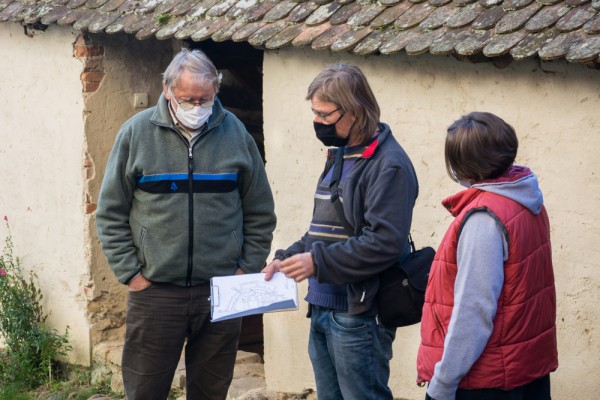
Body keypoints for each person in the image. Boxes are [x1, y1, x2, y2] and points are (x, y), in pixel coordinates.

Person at [96, 48, 276, 400]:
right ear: (167, 90)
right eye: (187, 99)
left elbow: (260, 211)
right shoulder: (136, 134)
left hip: (222, 289)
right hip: (155, 292)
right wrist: (131, 273)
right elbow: (110, 212)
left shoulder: (235, 134)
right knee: (145, 390)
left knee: (211, 391)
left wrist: (245, 268)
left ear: (216, 90)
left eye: (204, 99)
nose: (197, 107)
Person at [264, 64, 419, 399]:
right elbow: (324, 230)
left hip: (358, 314)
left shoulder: (389, 165)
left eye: (324, 115)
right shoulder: (340, 154)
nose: (317, 122)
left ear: (355, 111)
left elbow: (384, 243)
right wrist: (287, 258)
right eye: (314, 113)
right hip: (322, 305)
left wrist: (316, 262)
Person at [417, 112, 558, 400]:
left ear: (463, 164)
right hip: (524, 369)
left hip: (485, 379)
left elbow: (474, 311)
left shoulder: (484, 218)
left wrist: (443, 383)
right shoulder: (526, 200)